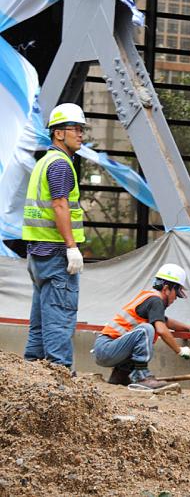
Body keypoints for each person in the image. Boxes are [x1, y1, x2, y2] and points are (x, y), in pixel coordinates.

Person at [22, 103, 89, 369]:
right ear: (59, 133)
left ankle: (31, 376)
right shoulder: (60, 165)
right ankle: (61, 381)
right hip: (57, 254)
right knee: (59, 319)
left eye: (82, 129)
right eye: (76, 129)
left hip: (38, 253)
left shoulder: (44, 162)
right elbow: (60, 204)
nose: (81, 134)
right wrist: (71, 247)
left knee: (40, 322)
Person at [93, 263, 190, 389]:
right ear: (166, 288)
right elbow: (161, 329)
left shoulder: (150, 298)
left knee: (141, 338)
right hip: (106, 348)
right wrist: (179, 350)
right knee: (146, 329)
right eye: (176, 294)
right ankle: (141, 376)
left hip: (107, 349)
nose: (175, 298)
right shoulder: (155, 301)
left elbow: (165, 321)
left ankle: (119, 376)